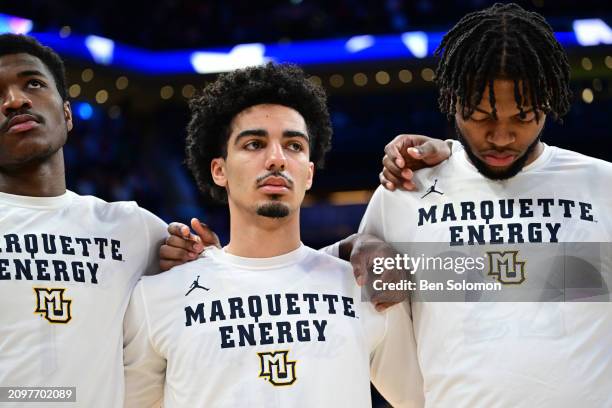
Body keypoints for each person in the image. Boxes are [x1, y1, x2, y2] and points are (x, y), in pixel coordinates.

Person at [346, 3, 611, 406]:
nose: (501, 136)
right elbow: (367, 317)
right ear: (452, 102)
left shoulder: (603, 185)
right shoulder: (406, 189)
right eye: (480, 116)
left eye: (523, 117)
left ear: (550, 103)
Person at [123, 63, 422, 407]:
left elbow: (428, 398)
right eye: (254, 144)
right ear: (219, 170)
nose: (277, 159)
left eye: (294, 145)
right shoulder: (157, 295)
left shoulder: (364, 285)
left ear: (309, 173)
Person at [0, 34, 175, 407]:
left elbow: (229, 275)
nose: (15, 100)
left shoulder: (136, 227)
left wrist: (196, 255)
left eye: (33, 83)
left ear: (67, 113)